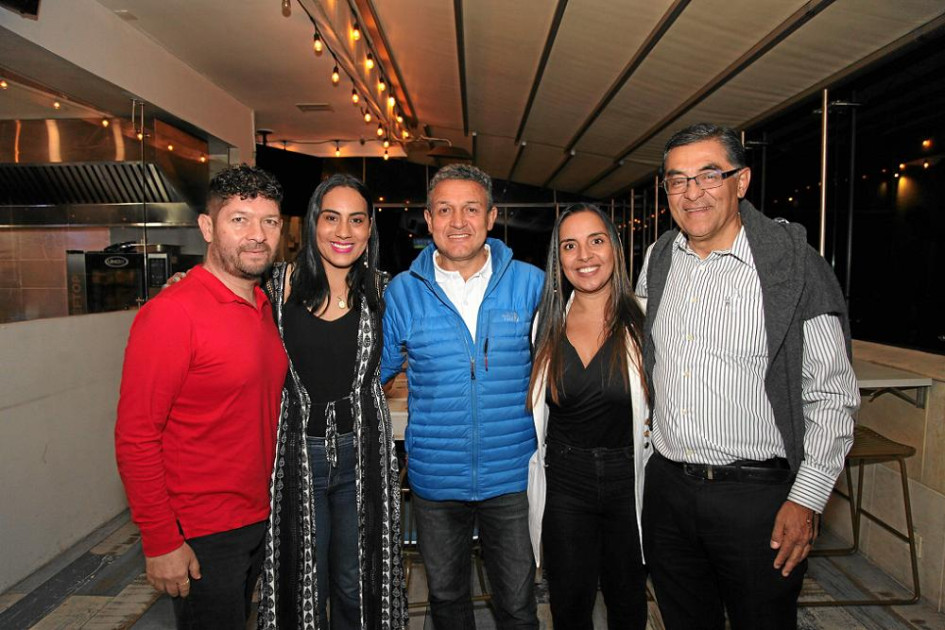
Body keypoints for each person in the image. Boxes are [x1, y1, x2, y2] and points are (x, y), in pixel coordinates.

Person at [637, 123, 859, 630]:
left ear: (742, 181)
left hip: (757, 499)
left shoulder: (792, 266)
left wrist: (806, 498)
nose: (692, 192)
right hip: (668, 490)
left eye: (709, 175)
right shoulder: (659, 259)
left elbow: (831, 396)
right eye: (677, 180)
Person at [115, 164, 288, 628]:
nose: (257, 235)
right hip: (202, 530)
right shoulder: (171, 314)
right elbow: (136, 436)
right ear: (208, 227)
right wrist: (160, 540)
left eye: (269, 221)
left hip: (256, 515)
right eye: (239, 219)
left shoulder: (262, 306)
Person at [381, 164, 543, 629]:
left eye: (470, 209)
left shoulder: (530, 284)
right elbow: (377, 370)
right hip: (436, 479)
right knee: (448, 600)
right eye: (445, 210)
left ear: (491, 217)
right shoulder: (403, 293)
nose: (458, 222)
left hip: (511, 475)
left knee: (517, 604)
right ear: (427, 220)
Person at [256, 174, 407, 629]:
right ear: (312, 223)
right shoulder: (273, 285)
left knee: (357, 583)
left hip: (365, 453)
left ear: (369, 229)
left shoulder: (386, 290)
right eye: (332, 218)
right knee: (303, 580)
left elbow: (414, 346)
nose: (344, 232)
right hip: (297, 454)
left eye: (356, 220)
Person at [526, 204, 651, 630]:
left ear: (614, 248)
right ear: (557, 258)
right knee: (569, 604)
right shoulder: (545, 322)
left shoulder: (645, 318)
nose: (584, 256)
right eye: (570, 246)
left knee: (628, 601)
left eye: (596, 241)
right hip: (565, 481)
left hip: (628, 478)